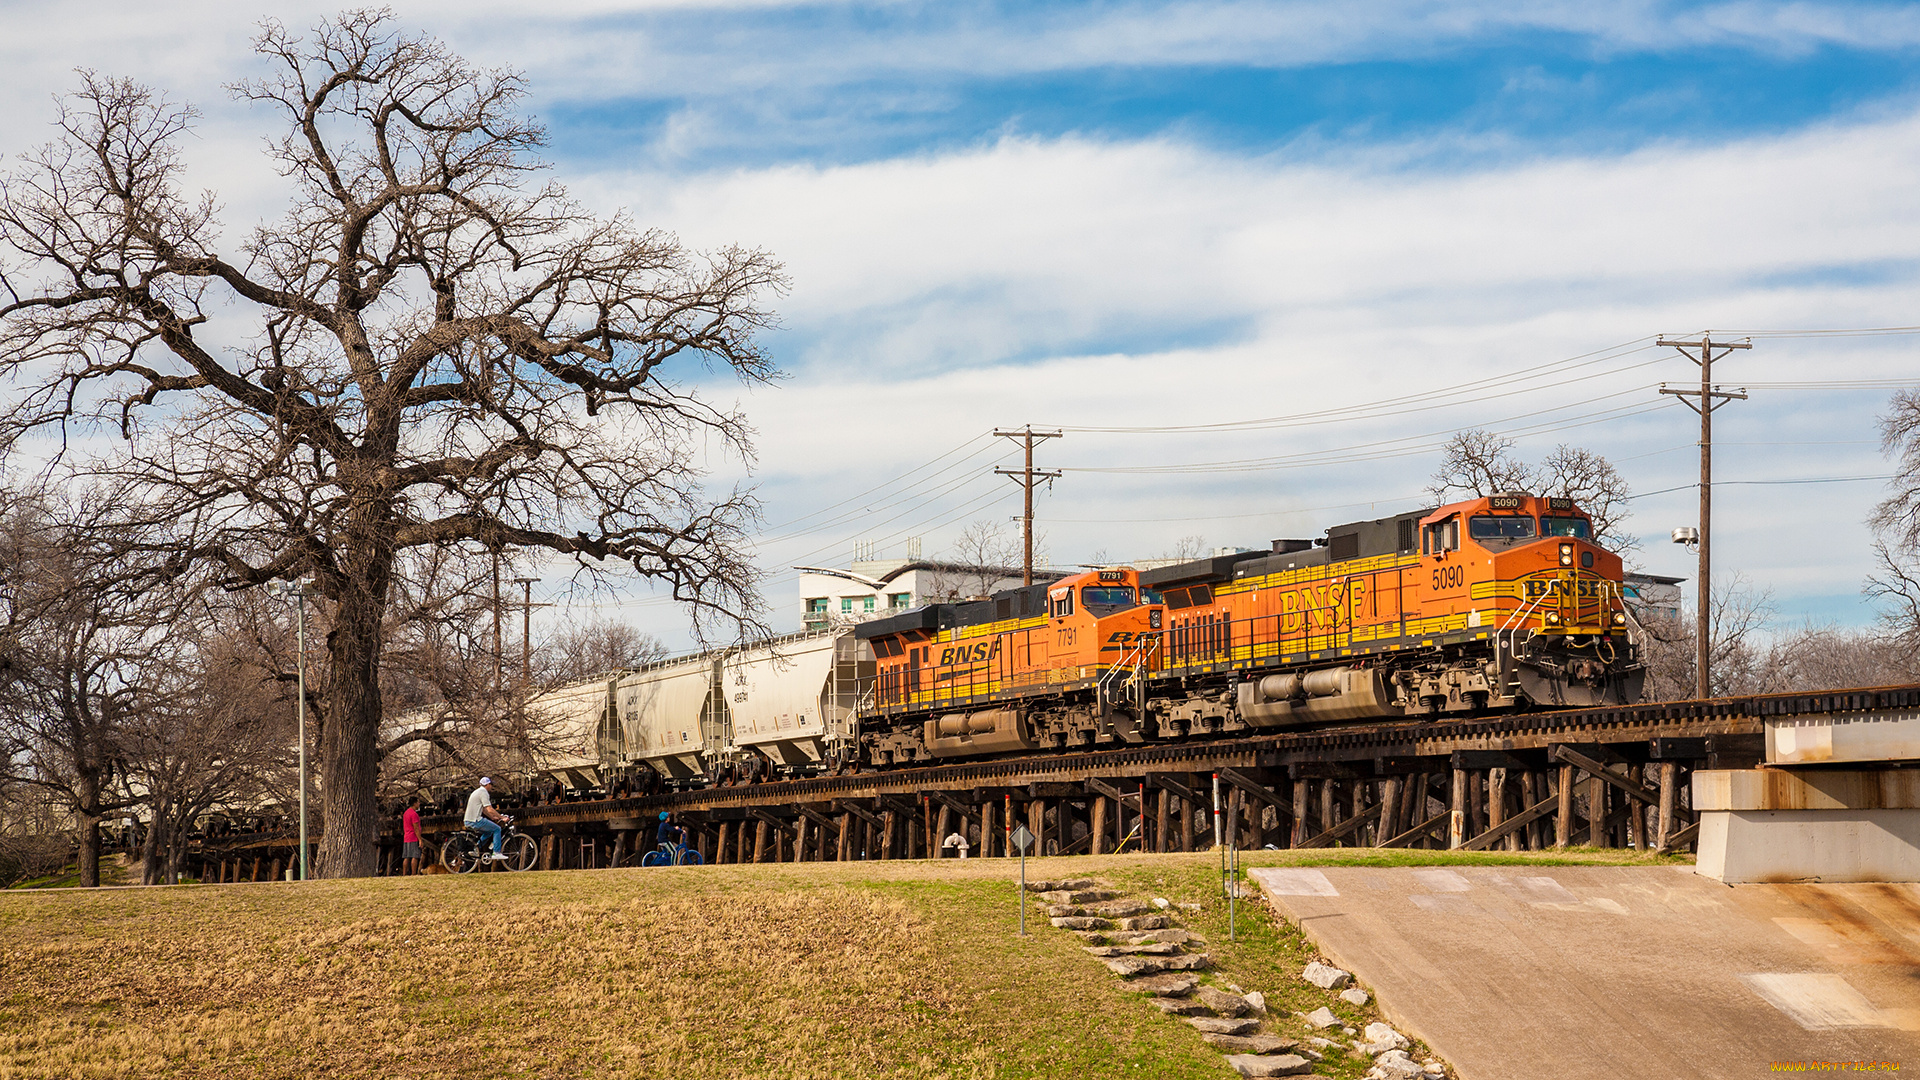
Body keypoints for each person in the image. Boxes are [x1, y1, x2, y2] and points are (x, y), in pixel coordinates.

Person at [465, 777, 511, 861]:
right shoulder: (483, 792)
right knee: (497, 829)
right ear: (487, 785)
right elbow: (489, 808)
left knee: (489, 831)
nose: (491, 786)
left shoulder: (476, 792)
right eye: (491, 784)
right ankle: (496, 853)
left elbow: (484, 809)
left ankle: (476, 849)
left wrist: (492, 817)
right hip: (475, 820)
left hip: (468, 820)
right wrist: (502, 817)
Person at [400, 797, 422, 876]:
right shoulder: (414, 814)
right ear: (414, 803)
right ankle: (413, 873)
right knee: (415, 856)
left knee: (406, 856)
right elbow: (416, 828)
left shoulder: (406, 813)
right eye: (418, 802)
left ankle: (404, 873)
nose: (419, 804)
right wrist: (420, 839)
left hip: (406, 837)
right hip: (413, 837)